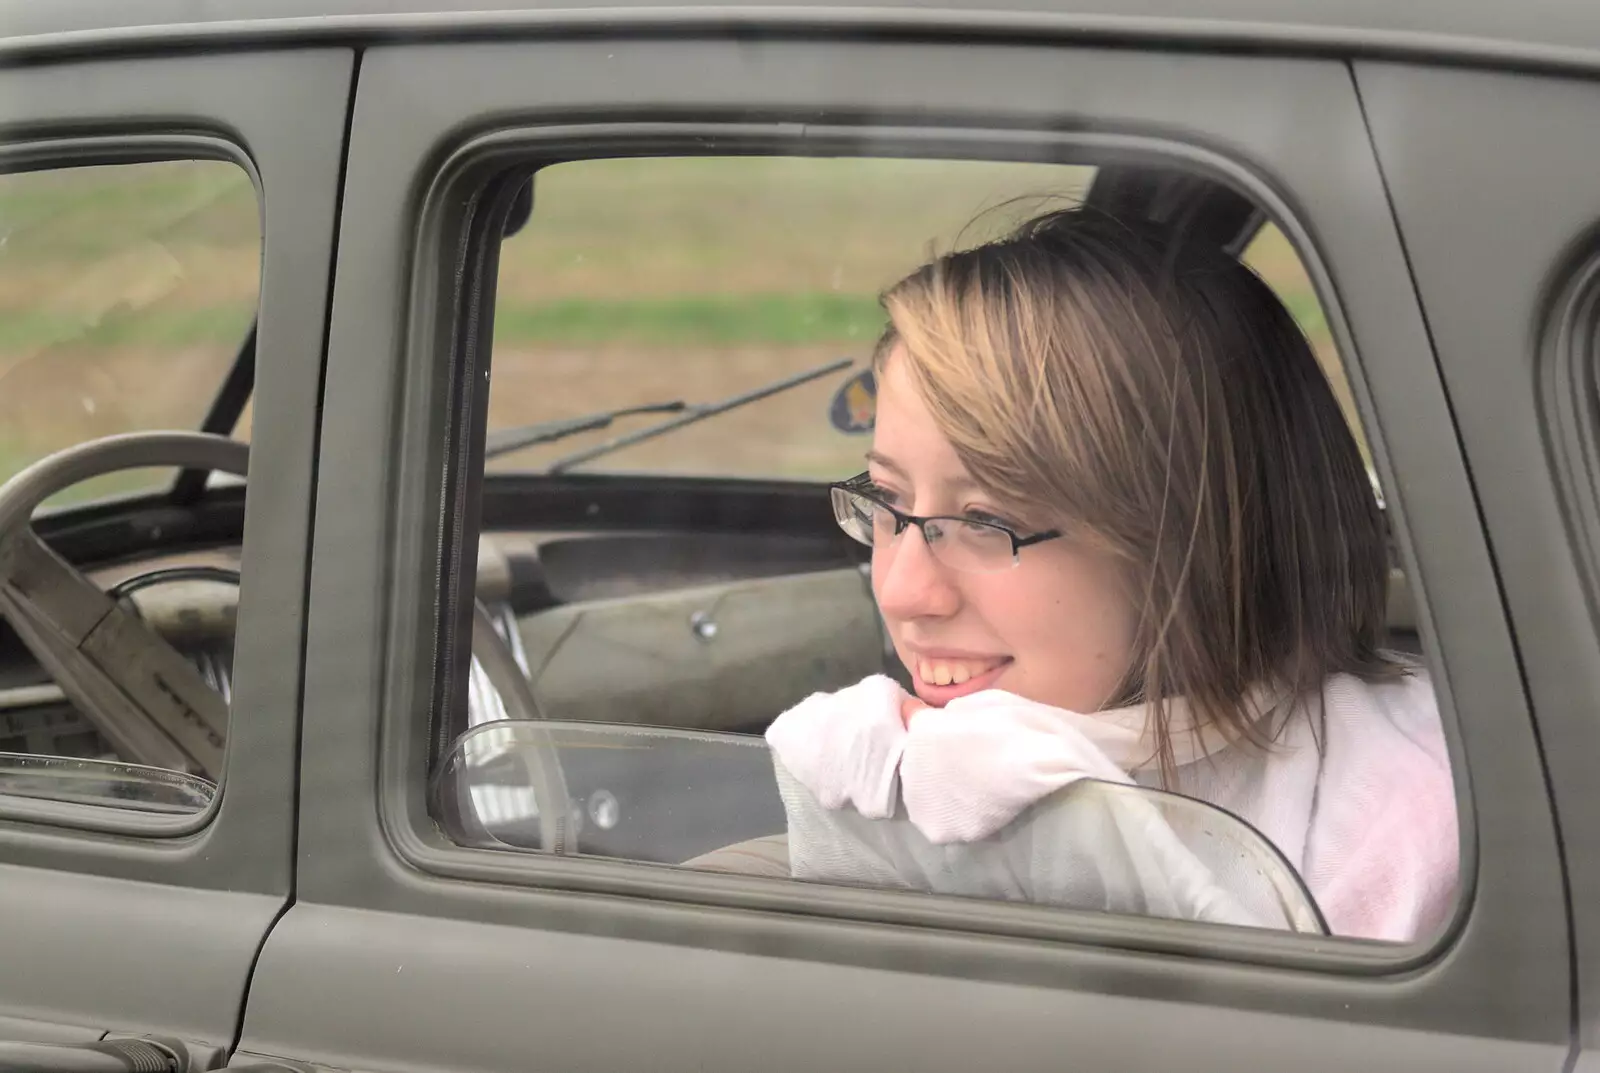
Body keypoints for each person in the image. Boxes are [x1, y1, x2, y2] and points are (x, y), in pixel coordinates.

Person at [762, 206, 1457, 943]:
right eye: (887, 500)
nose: (903, 592)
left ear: (1188, 536)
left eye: (986, 521)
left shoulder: (1430, 827)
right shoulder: (890, 770)